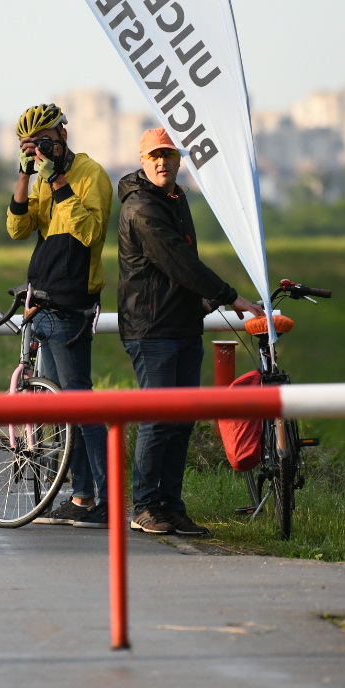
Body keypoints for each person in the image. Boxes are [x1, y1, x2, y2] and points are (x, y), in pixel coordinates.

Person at [117, 128, 263, 535]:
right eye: (154, 156)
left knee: (182, 421)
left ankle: (171, 506)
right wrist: (230, 297)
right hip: (152, 328)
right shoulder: (141, 206)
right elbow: (178, 261)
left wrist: (200, 301)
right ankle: (144, 506)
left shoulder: (176, 199)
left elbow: (178, 268)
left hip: (181, 323)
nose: (162, 161)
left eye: (168, 154)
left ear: (179, 159)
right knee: (159, 419)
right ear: (142, 162)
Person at [6, 103, 114, 529]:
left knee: (81, 406)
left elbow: (89, 232)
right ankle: (83, 497)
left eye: (47, 140)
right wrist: (25, 174)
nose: (43, 149)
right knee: (64, 410)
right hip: (42, 303)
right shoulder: (39, 176)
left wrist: (57, 179)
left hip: (71, 306)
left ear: (63, 135)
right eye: (33, 145)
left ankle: (105, 498)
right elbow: (18, 228)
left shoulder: (91, 175)